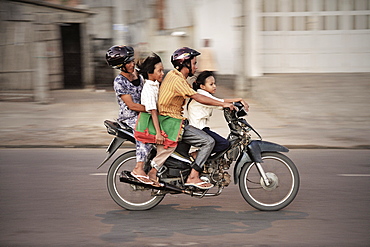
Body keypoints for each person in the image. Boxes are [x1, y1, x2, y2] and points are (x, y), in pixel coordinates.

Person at [157, 47, 235, 190]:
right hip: (171, 122)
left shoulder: (178, 78)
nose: (196, 66)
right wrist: (223, 104)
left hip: (175, 121)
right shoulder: (176, 79)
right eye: (194, 63)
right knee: (208, 141)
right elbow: (198, 97)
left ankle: (196, 162)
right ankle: (193, 176)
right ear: (185, 64)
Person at [105, 45, 154, 185]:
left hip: (144, 112)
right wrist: (152, 109)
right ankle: (138, 168)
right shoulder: (119, 82)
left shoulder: (137, 73)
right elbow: (131, 106)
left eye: (132, 60)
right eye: (128, 62)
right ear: (121, 66)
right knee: (145, 136)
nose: (132, 64)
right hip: (130, 117)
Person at [187, 70, 249, 154]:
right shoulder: (202, 96)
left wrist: (238, 99)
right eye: (211, 84)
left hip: (200, 128)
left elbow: (220, 101)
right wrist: (236, 101)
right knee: (223, 144)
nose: (214, 86)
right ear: (202, 86)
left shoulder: (203, 94)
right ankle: (196, 155)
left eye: (214, 83)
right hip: (198, 129)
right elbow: (221, 103)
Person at [136, 53, 175, 184]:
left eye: (162, 70)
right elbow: (153, 111)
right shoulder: (148, 88)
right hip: (149, 124)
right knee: (170, 144)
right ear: (150, 72)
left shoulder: (155, 84)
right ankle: (154, 170)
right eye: (159, 70)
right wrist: (158, 133)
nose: (162, 73)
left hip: (155, 121)